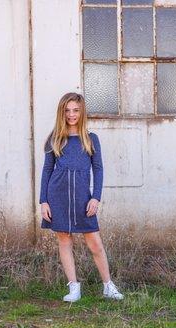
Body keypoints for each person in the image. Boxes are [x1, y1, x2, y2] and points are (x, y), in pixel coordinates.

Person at [39, 92, 123, 302]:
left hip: (83, 198)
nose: (71, 114)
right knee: (64, 241)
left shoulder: (91, 139)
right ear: (62, 112)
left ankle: (107, 285)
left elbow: (99, 169)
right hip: (57, 196)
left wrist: (95, 198)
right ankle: (74, 287)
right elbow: (47, 170)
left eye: (75, 110)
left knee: (95, 243)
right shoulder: (54, 139)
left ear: (82, 111)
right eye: (67, 110)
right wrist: (43, 201)